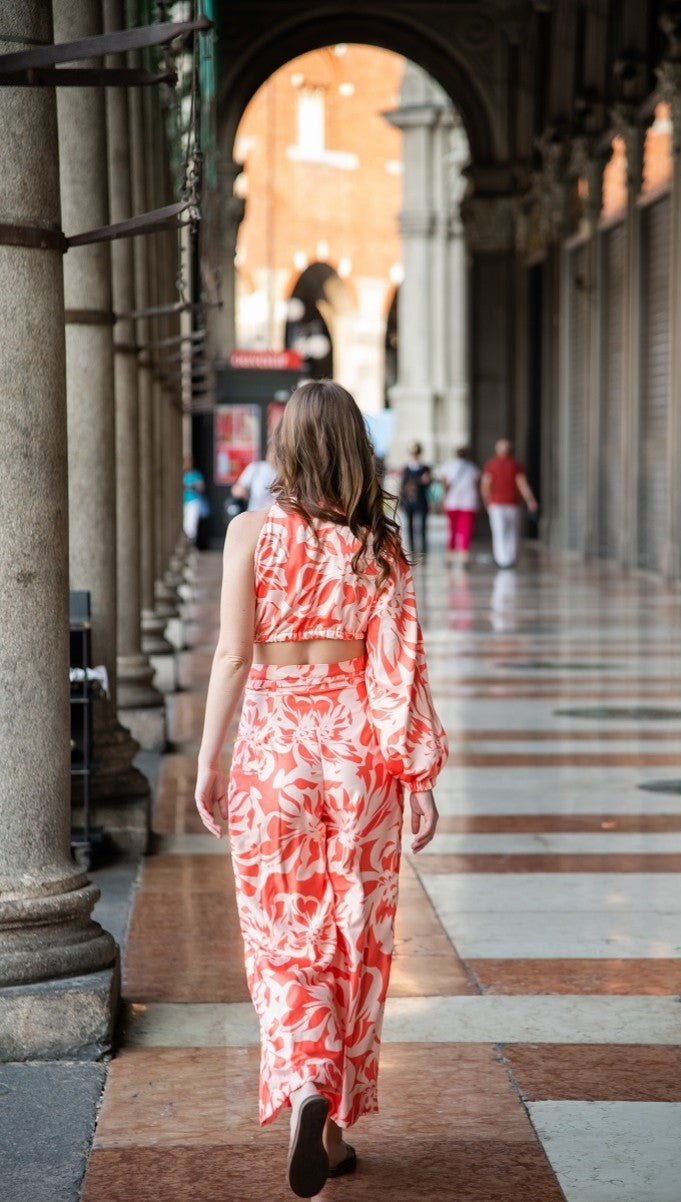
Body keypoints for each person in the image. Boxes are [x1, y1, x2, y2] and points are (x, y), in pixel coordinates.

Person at [194, 380, 447, 1199]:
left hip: (273, 753)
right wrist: (421, 775)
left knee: (283, 936)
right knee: (355, 941)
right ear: (354, 449)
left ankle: (305, 1083)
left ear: (287, 446)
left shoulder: (249, 533)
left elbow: (233, 657)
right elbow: (397, 668)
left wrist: (208, 762)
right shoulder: (379, 545)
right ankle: (331, 1128)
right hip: (358, 758)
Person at [481, 438, 538, 568]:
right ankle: (511, 558)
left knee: (499, 531)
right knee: (512, 531)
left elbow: (485, 484)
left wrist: (486, 501)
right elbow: (522, 484)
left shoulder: (491, 464)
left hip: (495, 504)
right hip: (512, 503)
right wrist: (530, 500)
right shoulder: (516, 464)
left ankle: (501, 559)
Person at [439, 446, 482, 566]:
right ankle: (464, 556)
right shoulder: (472, 467)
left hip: (452, 502)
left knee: (452, 530)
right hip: (469, 502)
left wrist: (444, 498)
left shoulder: (448, 466)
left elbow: (445, 484)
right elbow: (477, 483)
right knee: (466, 529)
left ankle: (449, 556)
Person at [399, 441, 432, 557]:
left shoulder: (425, 468)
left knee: (422, 526)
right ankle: (412, 549)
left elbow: (428, 482)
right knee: (410, 527)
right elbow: (403, 485)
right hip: (409, 501)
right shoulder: (407, 468)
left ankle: (423, 550)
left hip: (421, 500)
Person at [231, 443, 278, 512]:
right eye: (271, 451)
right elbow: (236, 489)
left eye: (278, 453)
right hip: (254, 514)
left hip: (275, 518)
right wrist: (241, 491)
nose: (274, 455)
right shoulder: (256, 467)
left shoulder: (287, 472)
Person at [182, 456, 206, 543]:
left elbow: (202, 487)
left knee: (191, 525)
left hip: (193, 501)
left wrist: (193, 486)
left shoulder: (196, 474)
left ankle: (190, 543)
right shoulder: (182, 475)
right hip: (183, 502)